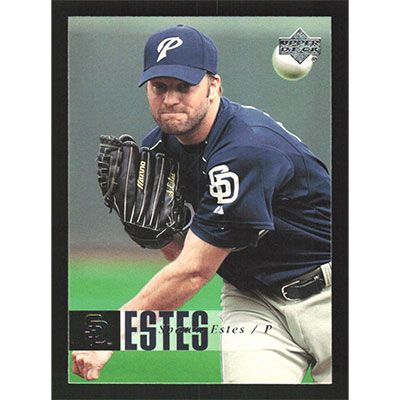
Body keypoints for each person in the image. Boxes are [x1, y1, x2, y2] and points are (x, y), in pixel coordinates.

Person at [72, 24, 332, 383]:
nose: (170, 99)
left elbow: (195, 271)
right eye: (159, 86)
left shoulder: (246, 148)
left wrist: (109, 332)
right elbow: (184, 260)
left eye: (184, 86)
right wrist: (160, 236)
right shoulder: (157, 150)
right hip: (252, 301)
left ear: (214, 87)